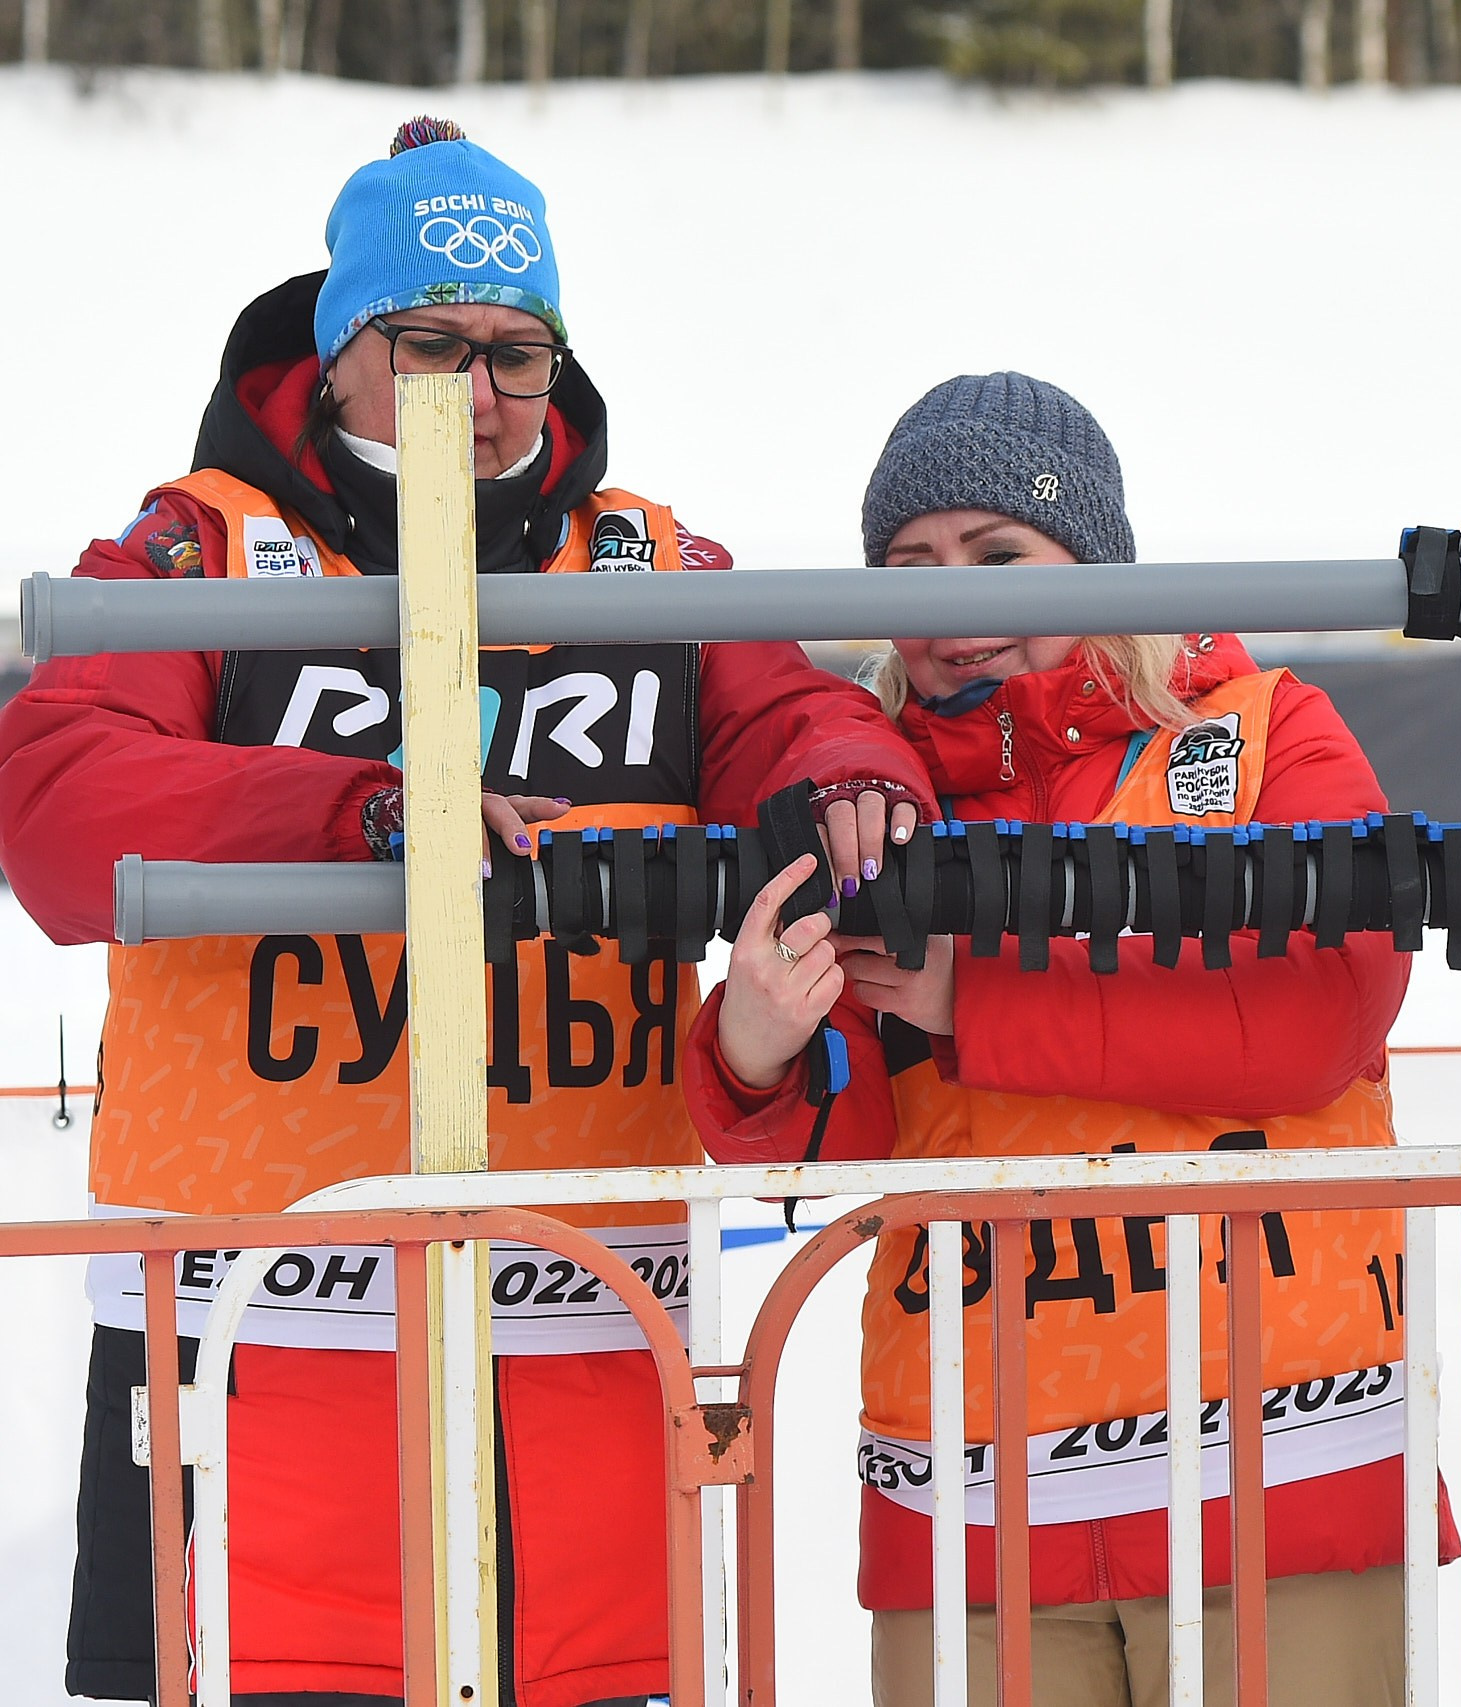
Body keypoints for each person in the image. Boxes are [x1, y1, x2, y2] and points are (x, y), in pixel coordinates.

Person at [0, 118, 930, 1706]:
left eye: (521, 353)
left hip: (582, 1318)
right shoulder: (205, 546)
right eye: (436, 347)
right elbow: (55, 801)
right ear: (342, 346)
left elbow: (801, 714)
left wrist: (849, 771)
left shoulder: (640, 557)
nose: (486, 398)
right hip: (255, 1322)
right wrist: (361, 809)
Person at [685, 372, 1449, 1707]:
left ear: (1093, 564)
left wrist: (977, 1000)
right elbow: (849, 1121)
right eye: (908, 566)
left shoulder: (1267, 728)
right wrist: (752, 1049)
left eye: (996, 559)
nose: (949, 604)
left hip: (1274, 1461)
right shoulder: (871, 798)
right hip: (973, 1486)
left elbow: (1328, 1011)